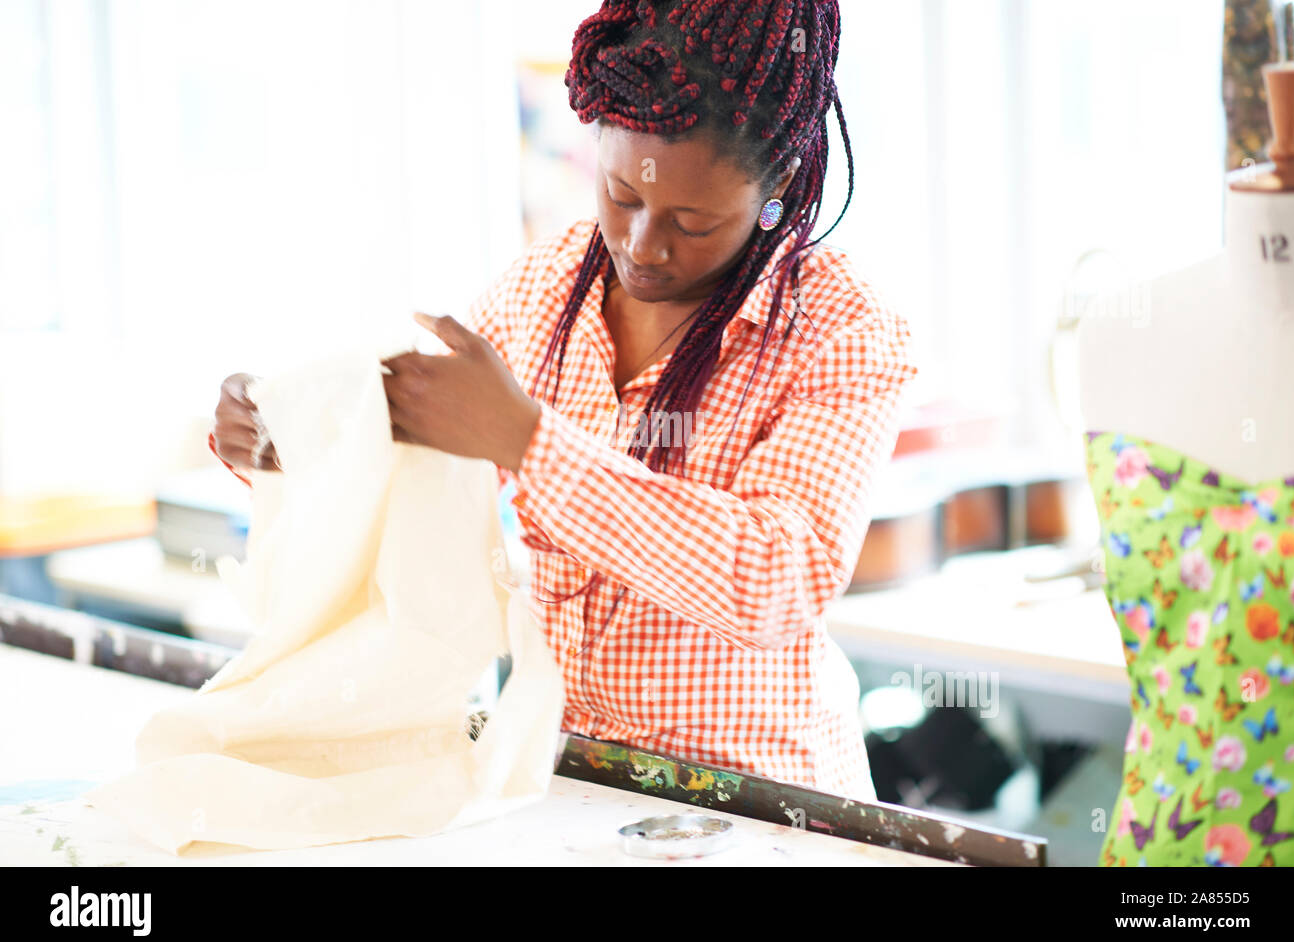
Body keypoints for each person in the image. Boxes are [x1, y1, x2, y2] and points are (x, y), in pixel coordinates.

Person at [211, 0, 917, 799]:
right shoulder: (538, 292)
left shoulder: (842, 330)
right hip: (572, 791)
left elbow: (774, 579)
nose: (643, 246)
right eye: (621, 195)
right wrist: (292, 437)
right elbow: (400, 454)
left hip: (762, 808)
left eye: (692, 221)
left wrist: (531, 445)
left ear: (778, 182)